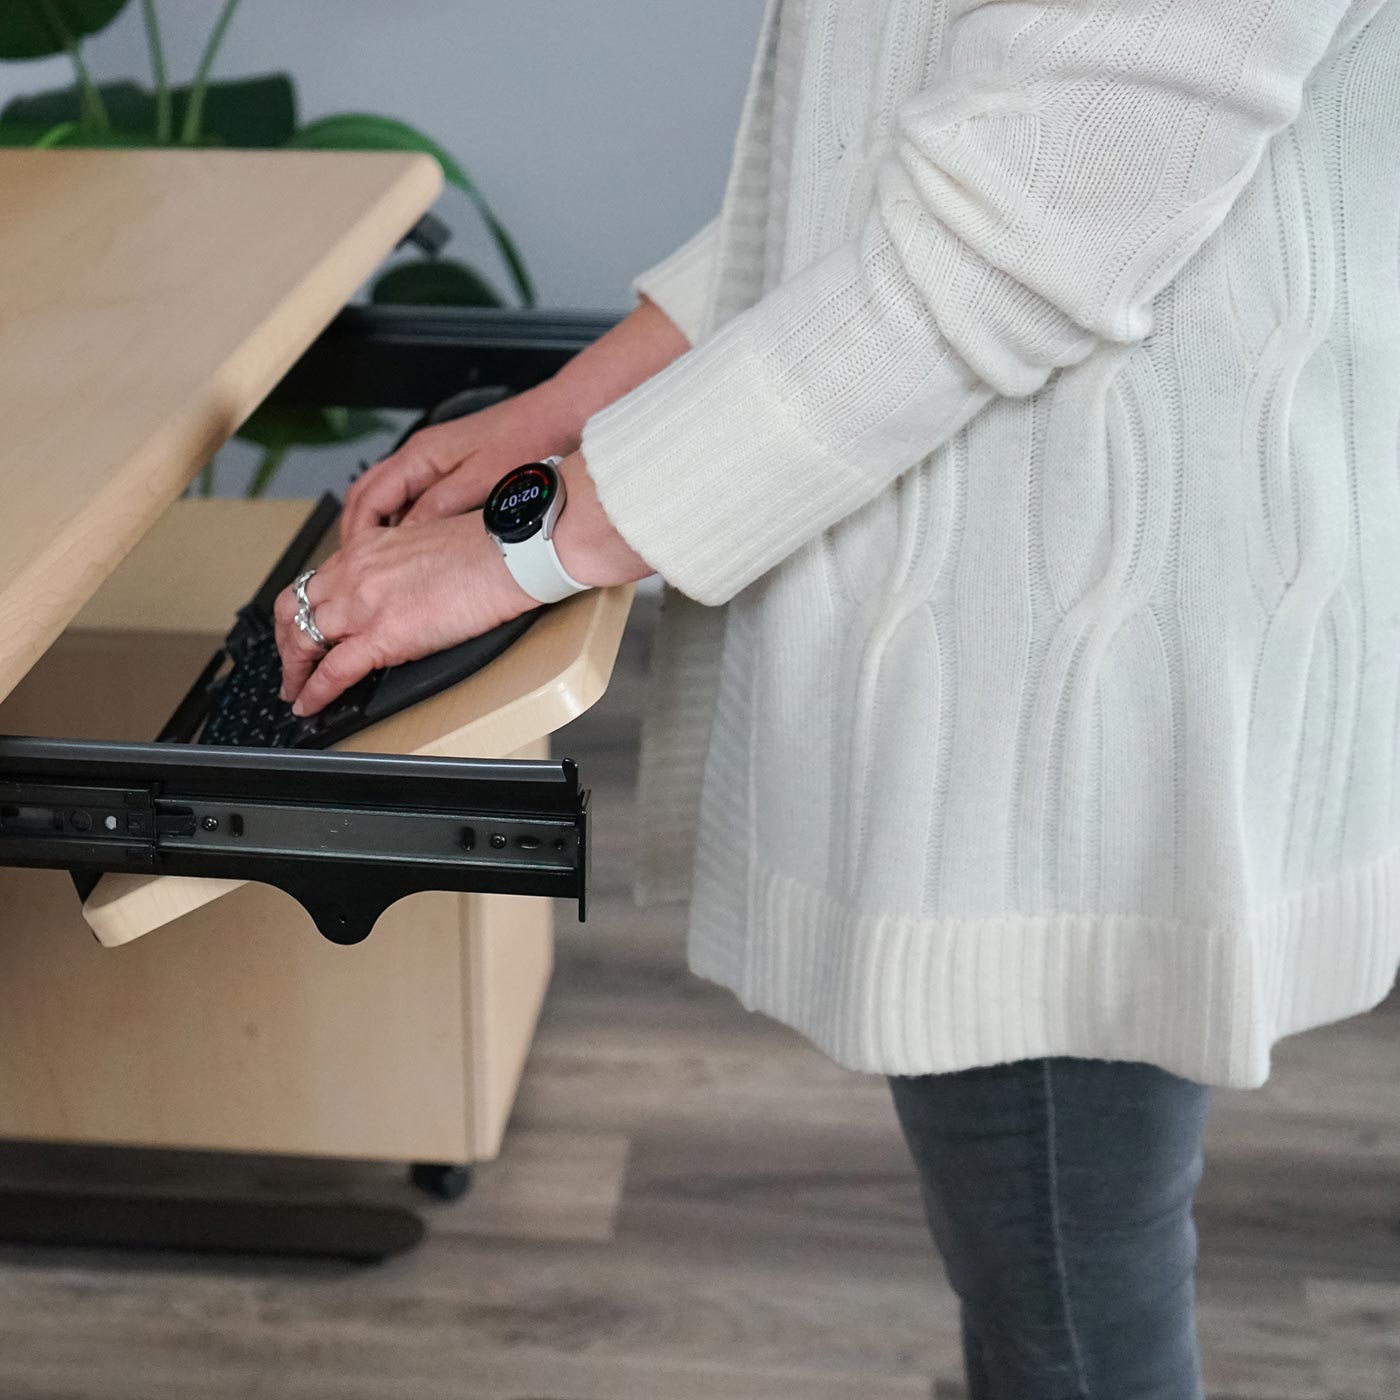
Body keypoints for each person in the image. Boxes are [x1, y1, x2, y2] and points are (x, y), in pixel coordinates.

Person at [273, 3, 1400, 1396]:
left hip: (1078, 682)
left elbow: (1021, 226)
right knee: (1041, 1258)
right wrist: (557, 418)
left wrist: (535, 536)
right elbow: (856, 166)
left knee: (1069, 1291)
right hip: (1021, 626)